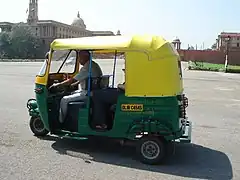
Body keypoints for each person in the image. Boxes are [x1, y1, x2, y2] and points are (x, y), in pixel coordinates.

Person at [50, 50, 103, 123]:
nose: (79, 59)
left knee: (64, 100)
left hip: (88, 93)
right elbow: (83, 78)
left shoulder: (87, 67)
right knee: (71, 93)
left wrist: (58, 85)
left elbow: (72, 80)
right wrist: (73, 85)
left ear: (85, 57)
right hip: (93, 91)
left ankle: (61, 122)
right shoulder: (93, 64)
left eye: (80, 57)